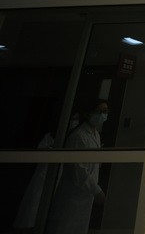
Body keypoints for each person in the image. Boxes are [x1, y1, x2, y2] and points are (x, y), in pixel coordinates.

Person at [46, 99, 109, 234]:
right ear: (88, 113)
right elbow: (78, 170)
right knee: (64, 227)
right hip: (72, 195)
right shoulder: (78, 136)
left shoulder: (96, 135)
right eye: (99, 111)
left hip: (85, 196)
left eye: (105, 111)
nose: (103, 115)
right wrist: (96, 190)